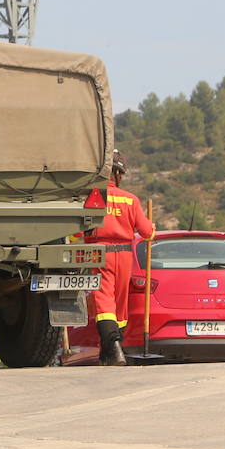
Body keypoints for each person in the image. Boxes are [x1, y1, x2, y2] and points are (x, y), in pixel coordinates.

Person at [85, 150, 154, 366]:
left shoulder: (94, 196)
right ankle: (112, 350)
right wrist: (152, 229)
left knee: (103, 300)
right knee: (119, 304)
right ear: (119, 174)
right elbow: (146, 232)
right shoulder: (131, 200)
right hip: (124, 254)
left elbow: (80, 229)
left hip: (99, 253)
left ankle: (113, 348)